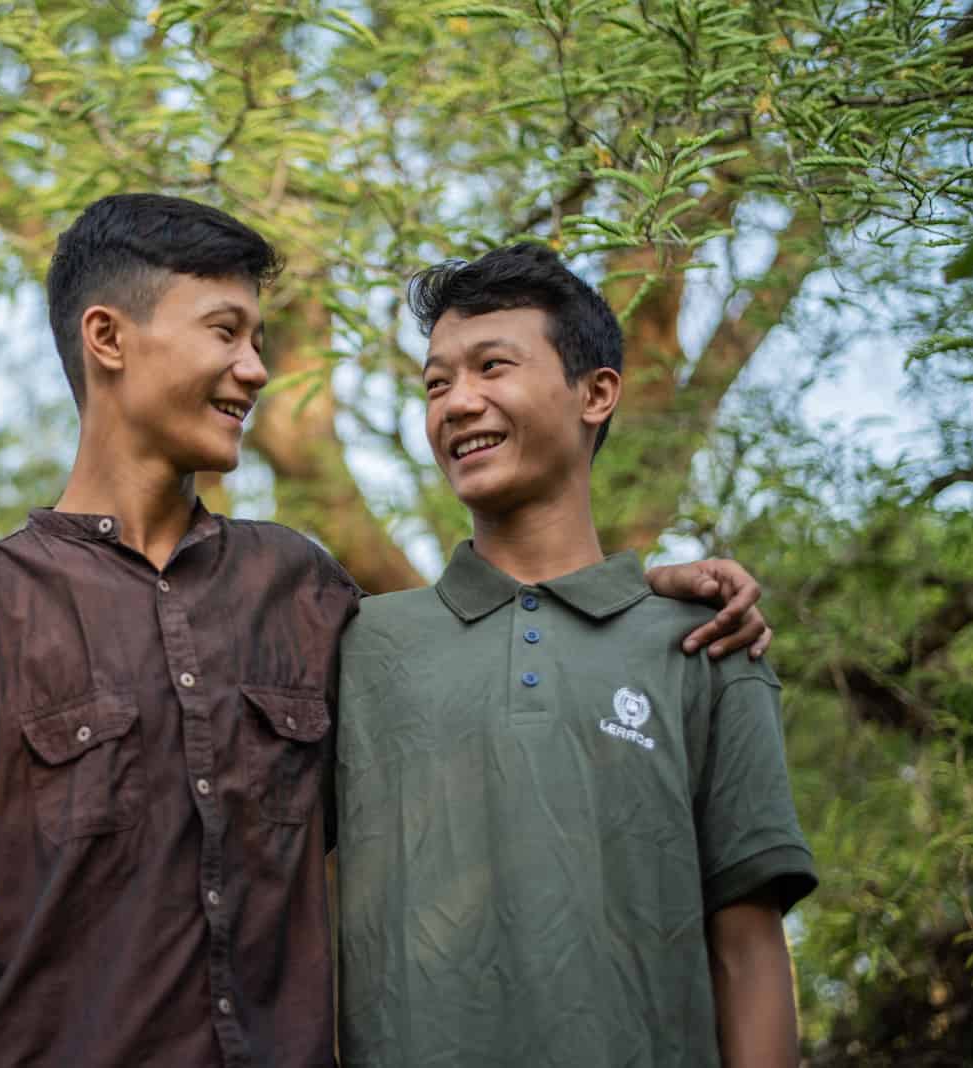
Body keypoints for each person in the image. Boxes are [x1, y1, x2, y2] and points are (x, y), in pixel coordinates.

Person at [0, 194, 772, 1068]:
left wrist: (639, 595)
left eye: (258, 338)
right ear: (108, 338)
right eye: (226, 332)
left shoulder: (303, 592)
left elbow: (496, 644)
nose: (256, 368)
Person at [334, 245, 816, 1067]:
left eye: (492, 366)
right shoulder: (357, 644)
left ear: (595, 393)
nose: (458, 403)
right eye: (437, 382)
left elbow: (748, 947)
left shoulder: (704, 644)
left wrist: (648, 595)